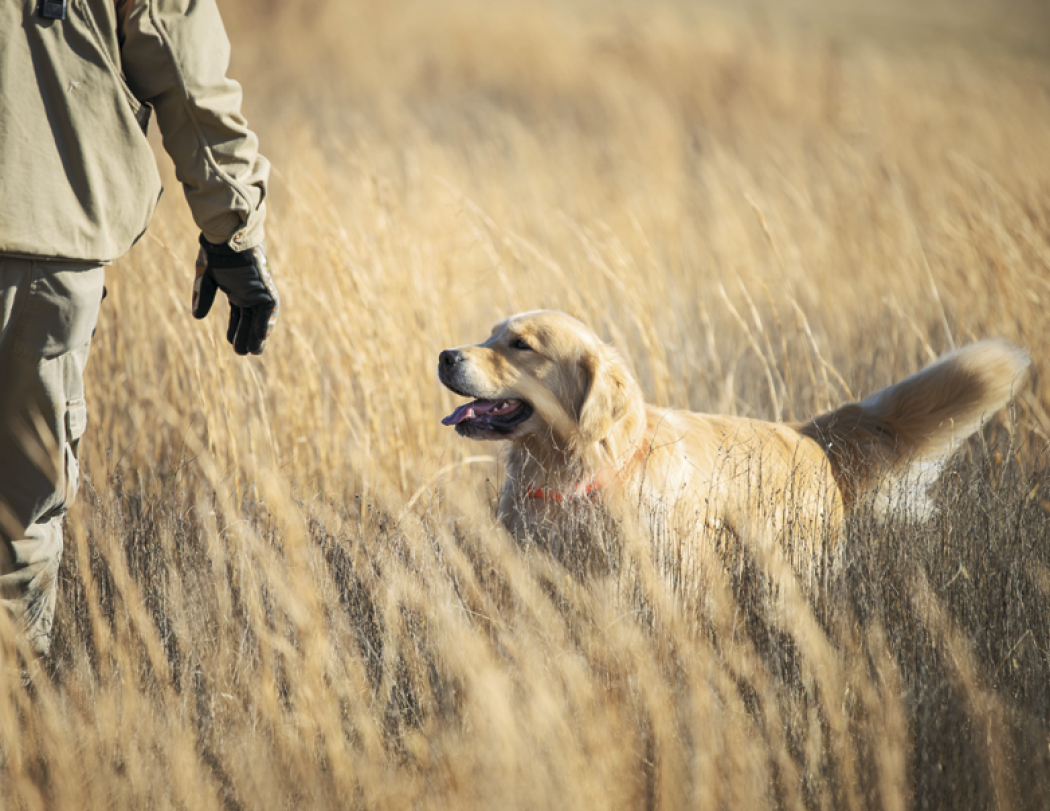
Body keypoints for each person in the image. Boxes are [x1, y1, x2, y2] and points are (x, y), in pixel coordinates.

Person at [0, 0, 280, 658]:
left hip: (52, 236)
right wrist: (233, 231)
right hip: (49, 229)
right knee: (16, 526)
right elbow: (179, 54)